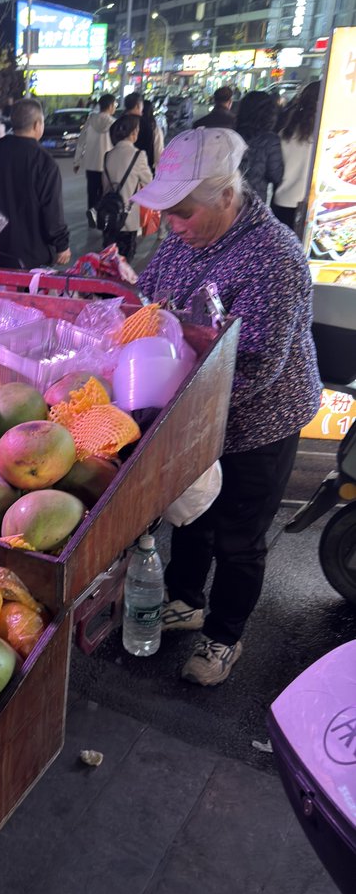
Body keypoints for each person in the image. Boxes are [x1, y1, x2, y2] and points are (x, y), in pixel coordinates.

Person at [131, 127, 322, 686]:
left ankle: (224, 637)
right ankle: (186, 599)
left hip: (259, 419)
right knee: (194, 514)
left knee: (240, 533)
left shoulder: (273, 257)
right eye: (168, 214)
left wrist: (176, 403)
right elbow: (151, 298)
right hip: (193, 410)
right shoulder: (182, 240)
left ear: (225, 197)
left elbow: (259, 365)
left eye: (183, 211)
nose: (173, 224)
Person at [0, 96, 71, 270]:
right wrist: (62, 245)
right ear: (36, 125)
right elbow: (52, 211)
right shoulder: (44, 162)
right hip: (32, 256)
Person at [100, 113, 153, 261]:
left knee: (110, 260)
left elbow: (105, 188)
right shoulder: (138, 155)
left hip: (109, 216)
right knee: (125, 262)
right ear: (132, 133)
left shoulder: (108, 155)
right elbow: (149, 182)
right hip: (128, 219)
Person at [272, 81, 320, 230]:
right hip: (314, 206)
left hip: (283, 201)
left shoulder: (284, 134)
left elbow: (276, 172)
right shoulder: (325, 138)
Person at [73, 92, 116, 228]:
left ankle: (92, 214)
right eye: (114, 104)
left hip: (91, 164)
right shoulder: (114, 123)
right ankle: (102, 218)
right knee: (105, 193)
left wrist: (77, 161)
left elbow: (81, 142)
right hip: (107, 166)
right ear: (110, 106)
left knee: (92, 192)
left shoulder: (90, 121)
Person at [235, 90, 283, 205]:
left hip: (230, 199)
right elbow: (275, 176)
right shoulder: (271, 140)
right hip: (254, 202)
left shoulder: (232, 134)